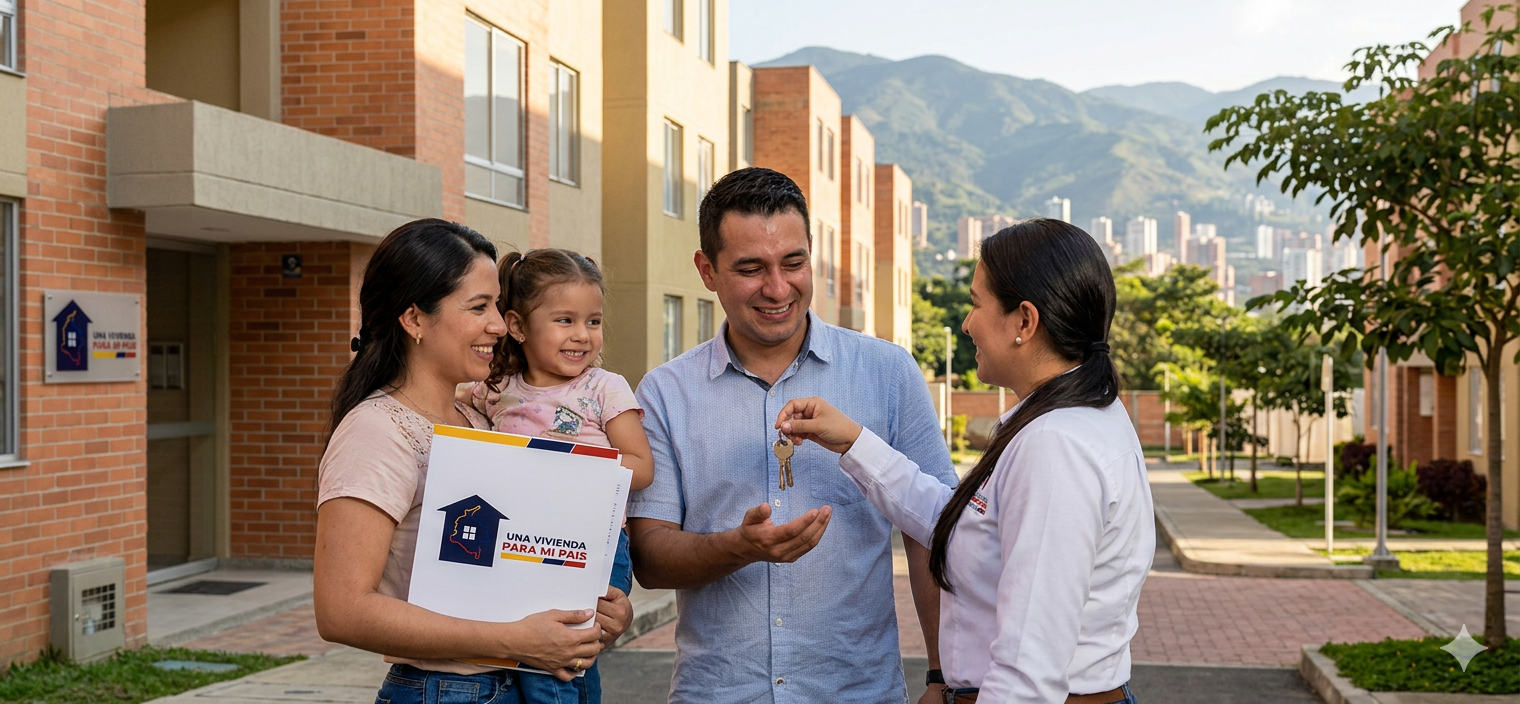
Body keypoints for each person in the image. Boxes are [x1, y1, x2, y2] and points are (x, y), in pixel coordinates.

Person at [774, 218, 1155, 703]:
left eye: (976, 304)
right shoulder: (1071, 418)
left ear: (1025, 322)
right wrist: (853, 442)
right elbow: (966, 525)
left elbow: (1027, 673)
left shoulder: (1055, 446)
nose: (967, 323)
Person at [626, 167, 958, 703]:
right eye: (751, 268)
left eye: (794, 263)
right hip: (719, 694)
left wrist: (945, 676)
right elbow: (649, 558)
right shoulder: (665, 392)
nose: (778, 288)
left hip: (859, 693)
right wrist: (737, 548)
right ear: (707, 270)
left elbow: (935, 531)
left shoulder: (889, 373)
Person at [312, 219, 633, 704]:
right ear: (414, 319)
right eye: (479, 307)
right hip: (447, 691)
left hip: (523, 686)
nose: (500, 325)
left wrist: (597, 611)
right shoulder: (377, 430)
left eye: (497, 307)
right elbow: (341, 611)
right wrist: (514, 641)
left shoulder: (481, 418)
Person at [462, 247, 654, 702]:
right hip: (522, 544)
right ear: (517, 326)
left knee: (559, 663)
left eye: (593, 321)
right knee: (533, 653)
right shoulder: (497, 389)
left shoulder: (603, 388)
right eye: (565, 320)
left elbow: (641, 466)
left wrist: (567, 464)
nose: (582, 335)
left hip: (594, 542)